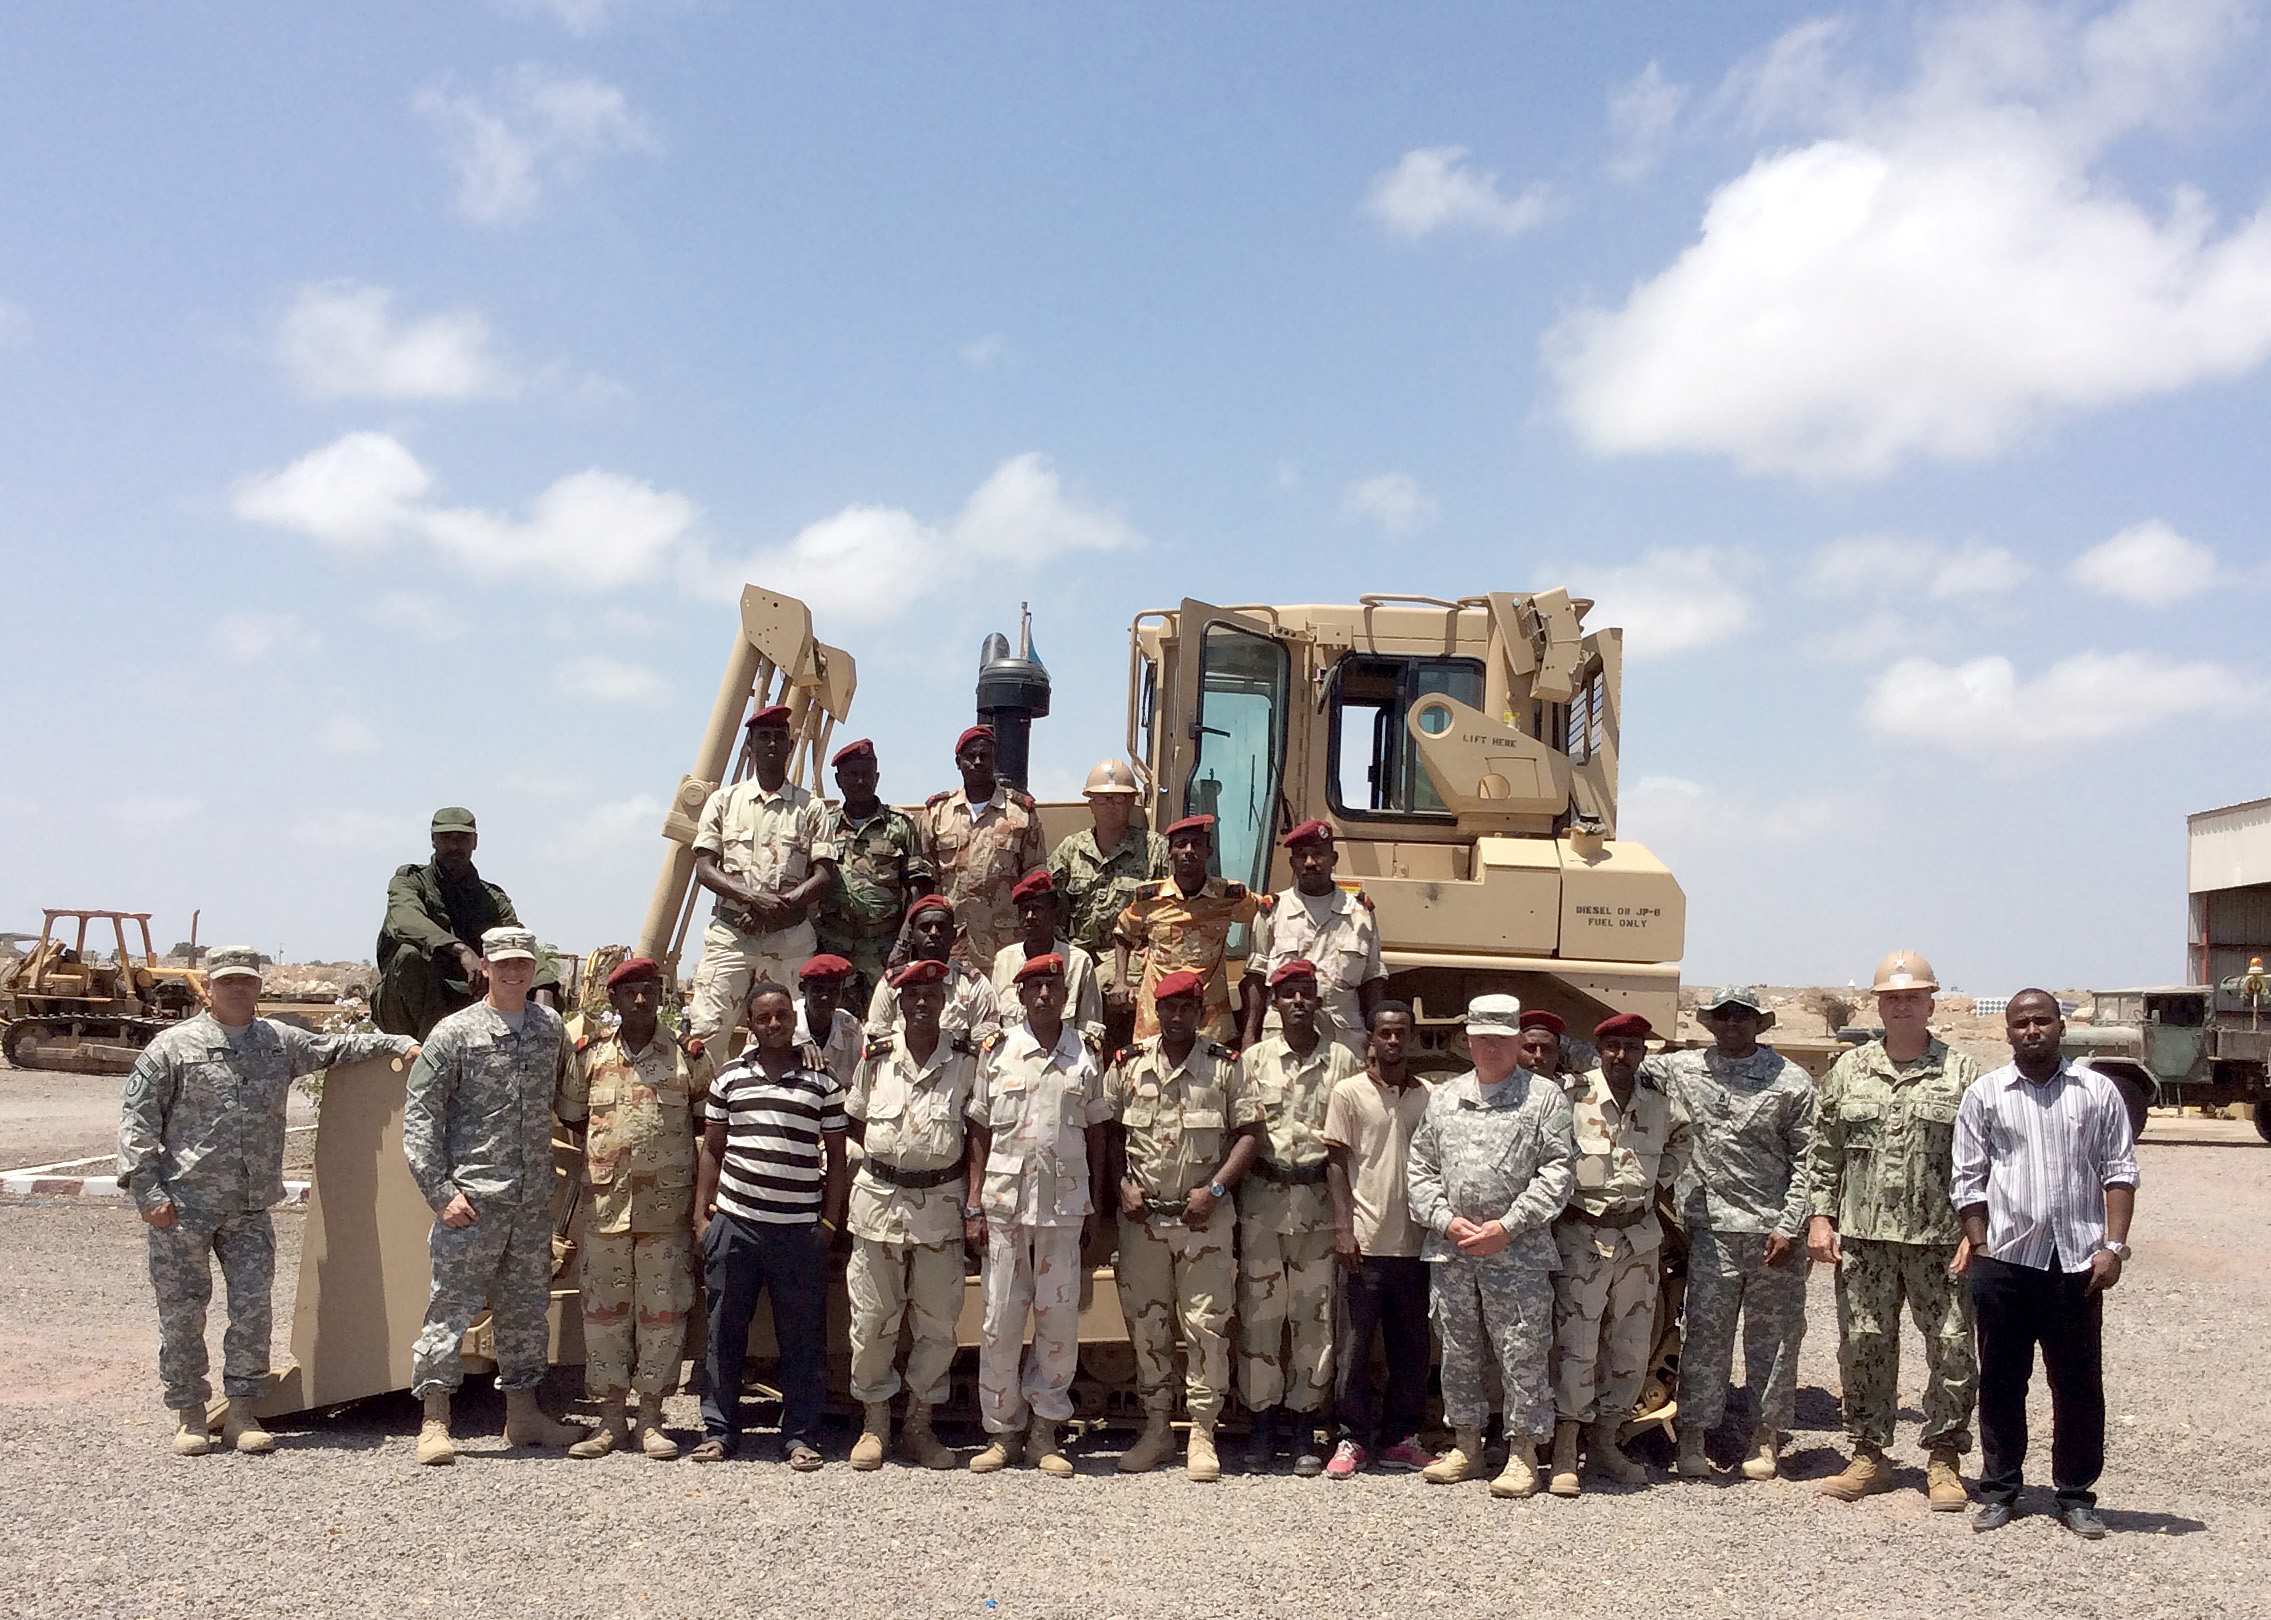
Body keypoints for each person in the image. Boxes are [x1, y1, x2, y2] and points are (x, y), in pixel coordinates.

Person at [118, 946, 415, 1455]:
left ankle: (242, 1412)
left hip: (250, 1209)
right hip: (184, 1205)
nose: (237, 989)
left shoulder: (278, 1042)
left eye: (247, 982)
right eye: (227, 982)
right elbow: (136, 1123)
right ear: (209, 989)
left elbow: (336, 1048)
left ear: (259, 987)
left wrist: (398, 1042)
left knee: (252, 1312)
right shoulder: (172, 1048)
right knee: (183, 1313)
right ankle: (190, 1414)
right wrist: (146, 1190)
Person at [1952, 989, 2138, 1539]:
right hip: (2007, 1261)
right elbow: (1968, 1177)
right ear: (2007, 1032)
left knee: (2078, 1384)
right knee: (2003, 1383)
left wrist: (2115, 1247)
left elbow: (2120, 1170)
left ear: (2061, 1027)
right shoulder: (1986, 1095)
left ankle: (2076, 1494)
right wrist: (1980, 1246)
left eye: (2042, 1021)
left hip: (2079, 1263)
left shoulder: (2097, 1092)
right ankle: (2001, 1489)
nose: (2032, 1030)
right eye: (2021, 1023)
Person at [402, 926, 586, 1465]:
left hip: (531, 1203)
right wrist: (439, 1193)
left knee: (526, 1311)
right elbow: (420, 1119)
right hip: (472, 1201)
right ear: (485, 967)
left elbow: (566, 1099)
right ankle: (435, 1420)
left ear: (533, 968)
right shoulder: (454, 1034)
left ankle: (524, 1415)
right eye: (502, 964)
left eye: (522, 964)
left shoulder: (548, 1027)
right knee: (450, 1308)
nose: (512, 973)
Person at [1810, 950, 1981, 1510]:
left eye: (1912, 996)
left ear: (1931, 1002)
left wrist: (1974, 1230)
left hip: (1940, 1240)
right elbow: (1825, 1151)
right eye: (1892, 997)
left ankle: (1944, 1459)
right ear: (1878, 1005)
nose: (1902, 1005)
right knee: (1864, 1346)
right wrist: (1820, 1216)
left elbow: (1985, 1159)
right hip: (1865, 1238)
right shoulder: (1849, 1071)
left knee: (1952, 1348)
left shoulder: (1963, 1073)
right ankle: (1868, 1454)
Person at [1407, 993, 1576, 1499]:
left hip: (1518, 1253)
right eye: (1481, 1039)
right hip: (1453, 1251)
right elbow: (1420, 1170)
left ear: (1516, 1042)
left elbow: (1558, 1171)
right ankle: (1467, 1446)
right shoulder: (1446, 1098)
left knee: (1521, 1350)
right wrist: (1445, 1220)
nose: (1490, 1048)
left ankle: (1524, 1453)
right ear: (1469, 1041)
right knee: (1458, 1350)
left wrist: (1509, 1225)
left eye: (1501, 1040)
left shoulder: (1543, 1098)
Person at [1652, 986, 1817, 1483]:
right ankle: (1696, 1437)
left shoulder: (1791, 1082)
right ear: (1709, 1023)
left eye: (1741, 1017)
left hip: (1773, 1236)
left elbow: (1810, 1162)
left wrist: (1790, 1226)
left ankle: (1765, 1439)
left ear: (1759, 1024)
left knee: (1773, 1341)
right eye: (1722, 1017)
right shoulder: (1682, 1070)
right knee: (1706, 1340)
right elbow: (1618, 1060)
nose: (1731, 1025)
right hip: (1709, 1232)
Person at [1103, 969, 1259, 1479]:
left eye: (1185, 1008)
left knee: (1206, 1327)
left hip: (1203, 1224)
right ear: (1157, 1009)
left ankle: (1204, 1434)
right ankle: (1156, 1431)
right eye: (1167, 1008)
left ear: (1200, 1011)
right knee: (1147, 1326)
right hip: (1143, 1224)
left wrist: (1215, 1190)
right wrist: (1118, 1184)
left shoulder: (1223, 1067)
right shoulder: (1128, 1065)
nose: (1175, 1017)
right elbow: (1104, 1131)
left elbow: (1249, 1133)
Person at [556, 956, 713, 1461]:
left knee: (664, 1315)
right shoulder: (590, 1056)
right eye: (630, 993)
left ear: (661, 996)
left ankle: (650, 1418)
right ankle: (608, 1421)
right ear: (615, 1000)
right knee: (603, 1315)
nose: (641, 1000)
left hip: (665, 1212)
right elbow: (576, 1119)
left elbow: (708, 1129)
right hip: (605, 1210)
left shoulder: (687, 1056)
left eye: (649, 991)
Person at [690, 980, 848, 1468]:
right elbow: (713, 1149)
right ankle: (719, 1430)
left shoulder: (823, 1084)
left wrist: (828, 1223)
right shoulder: (729, 1079)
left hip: (799, 1230)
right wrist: (702, 1218)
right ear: (751, 1024)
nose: (775, 1024)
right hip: (736, 1224)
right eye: (764, 1018)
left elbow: (838, 1161)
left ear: (793, 1019)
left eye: (782, 1015)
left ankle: (800, 1434)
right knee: (723, 1331)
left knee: (802, 1336)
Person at [967, 953, 1114, 1476]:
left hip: (1064, 1208)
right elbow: (980, 1131)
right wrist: (973, 1202)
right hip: (1005, 1208)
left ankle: (1045, 1433)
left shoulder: (1085, 1057)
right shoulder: (998, 1052)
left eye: (1053, 986)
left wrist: (1095, 1200)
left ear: (1065, 995)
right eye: (1035, 987)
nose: (1045, 995)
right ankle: (1002, 1433)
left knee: (1057, 1324)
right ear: (1021, 996)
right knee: (999, 1322)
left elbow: (1097, 1131)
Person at [842, 960, 984, 1473]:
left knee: (938, 1324)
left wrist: (974, 1203)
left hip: (941, 1207)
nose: (922, 1002)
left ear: (944, 1001)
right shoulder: (877, 1057)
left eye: (930, 994)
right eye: (912, 995)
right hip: (879, 1201)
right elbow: (854, 1125)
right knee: (873, 1319)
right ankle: (875, 1424)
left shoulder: (965, 1060)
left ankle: (919, 1425)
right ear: (899, 1003)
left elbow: (976, 1137)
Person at [1545, 1012, 1684, 1496]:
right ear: (1599, 1051)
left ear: (1643, 1052)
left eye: (1631, 1046)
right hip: (1583, 1234)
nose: (1621, 1056)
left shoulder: (1659, 1103)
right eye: (1613, 1047)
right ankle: (1566, 1447)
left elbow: (1683, 1140)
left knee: (1629, 1345)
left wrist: (1655, 1182)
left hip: (1638, 1238)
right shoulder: (1571, 1097)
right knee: (1576, 1344)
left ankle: (1606, 1442)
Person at [1233, 959, 1360, 1476]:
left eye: (1307, 993)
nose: (1299, 1003)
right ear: (1276, 1005)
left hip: (1317, 1203)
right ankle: (1262, 1426)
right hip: (1264, 1201)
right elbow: (1237, 1132)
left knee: (1314, 1318)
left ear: (1318, 1001)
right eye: (1288, 995)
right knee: (1261, 1317)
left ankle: (1304, 1425)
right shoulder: (1254, 1061)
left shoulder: (1343, 1062)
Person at [1321, 1001, 1436, 1479]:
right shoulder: (1348, 1093)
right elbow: (1335, 1164)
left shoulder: (1428, 1095)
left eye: (1401, 1033)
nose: (1393, 1041)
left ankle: (1399, 1438)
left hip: (1416, 1243)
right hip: (1364, 1242)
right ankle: (1351, 1438)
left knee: (1411, 1348)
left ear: (1410, 1037)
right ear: (1371, 1037)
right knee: (1354, 1347)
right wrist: (1344, 1228)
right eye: (1385, 1033)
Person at [685, 705, 840, 1049]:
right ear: (749, 747)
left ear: (789, 744)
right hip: (731, 936)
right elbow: (705, 869)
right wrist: (753, 899)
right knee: (707, 1033)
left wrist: (778, 906)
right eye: (764, 737)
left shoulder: (810, 807)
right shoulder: (723, 802)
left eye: (779, 737)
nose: (772, 744)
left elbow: (824, 873)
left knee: (793, 1035)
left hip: (789, 939)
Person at [1115, 815, 1265, 1046]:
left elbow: (1267, 914)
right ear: (1170, 852)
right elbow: (1123, 932)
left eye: (1196, 844)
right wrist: (1120, 980)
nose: (1188, 850)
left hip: (1210, 1020)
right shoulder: (1150, 898)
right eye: (1181, 844)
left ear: (1209, 852)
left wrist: (1259, 968)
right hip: (1157, 1018)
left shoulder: (1229, 896)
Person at [1048, 758, 1167, 1050]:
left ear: (1131, 803)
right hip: (1078, 953)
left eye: (1119, 799)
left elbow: (1169, 909)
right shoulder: (1071, 849)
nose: (1111, 806)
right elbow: (1049, 902)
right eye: (1103, 799)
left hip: (1135, 956)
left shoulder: (1154, 849)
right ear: (1090, 803)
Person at [373, 807, 520, 1039]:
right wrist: (460, 949)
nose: (454, 846)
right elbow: (404, 919)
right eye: (446, 838)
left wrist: (545, 986)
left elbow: (517, 941)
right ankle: (429, 1050)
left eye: (462, 839)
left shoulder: (491, 898)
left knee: (519, 970)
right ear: (433, 840)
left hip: (466, 1000)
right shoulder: (410, 882)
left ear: (475, 842)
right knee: (409, 954)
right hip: (406, 1008)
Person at [1242, 820, 1384, 1060]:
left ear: (1334, 858)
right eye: (1302, 856)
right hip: (1281, 1039)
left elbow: (1372, 981)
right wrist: (1248, 1036)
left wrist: (1376, 1039)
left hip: (1344, 1040)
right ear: (1292, 863)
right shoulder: (1272, 912)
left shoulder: (1360, 914)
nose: (1310, 862)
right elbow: (1256, 976)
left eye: (1318, 854)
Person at [917, 724, 1048, 969]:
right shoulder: (937, 813)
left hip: (1005, 944)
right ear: (958, 762)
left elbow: (1035, 880)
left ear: (995, 760)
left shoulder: (1020, 813)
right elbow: (924, 879)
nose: (977, 762)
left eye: (984, 756)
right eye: (970, 756)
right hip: (951, 942)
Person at [812, 738, 932, 999]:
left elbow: (917, 888)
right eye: (852, 775)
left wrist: (904, 942)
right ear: (838, 780)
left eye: (866, 775)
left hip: (884, 947)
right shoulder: (824, 825)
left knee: (883, 1025)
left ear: (876, 778)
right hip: (833, 943)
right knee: (836, 1020)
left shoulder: (900, 825)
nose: (859, 782)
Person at [988, 868, 1105, 1050]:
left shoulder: (1078, 962)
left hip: (1066, 1062)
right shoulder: (1004, 961)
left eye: (1037, 909)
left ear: (1054, 914)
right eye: (1024, 910)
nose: (1029, 917)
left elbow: (1090, 1030)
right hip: (1014, 1064)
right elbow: (995, 1029)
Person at [865, 894, 1000, 1043]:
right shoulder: (892, 982)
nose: (933, 933)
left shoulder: (974, 983)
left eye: (941, 927)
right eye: (925, 927)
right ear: (911, 936)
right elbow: (876, 1040)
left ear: (954, 935)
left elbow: (986, 1045)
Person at [794, 953, 865, 1086]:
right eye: (818, 990)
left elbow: (861, 1077)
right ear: (803, 989)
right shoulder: (784, 1020)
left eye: (833, 991)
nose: (825, 997)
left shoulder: (851, 1027)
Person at [1514, 1010, 1568, 1092]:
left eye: (1546, 1048)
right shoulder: (1496, 1090)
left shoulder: (1573, 1091)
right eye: (1530, 1047)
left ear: (1558, 1053)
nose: (1538, 1056)